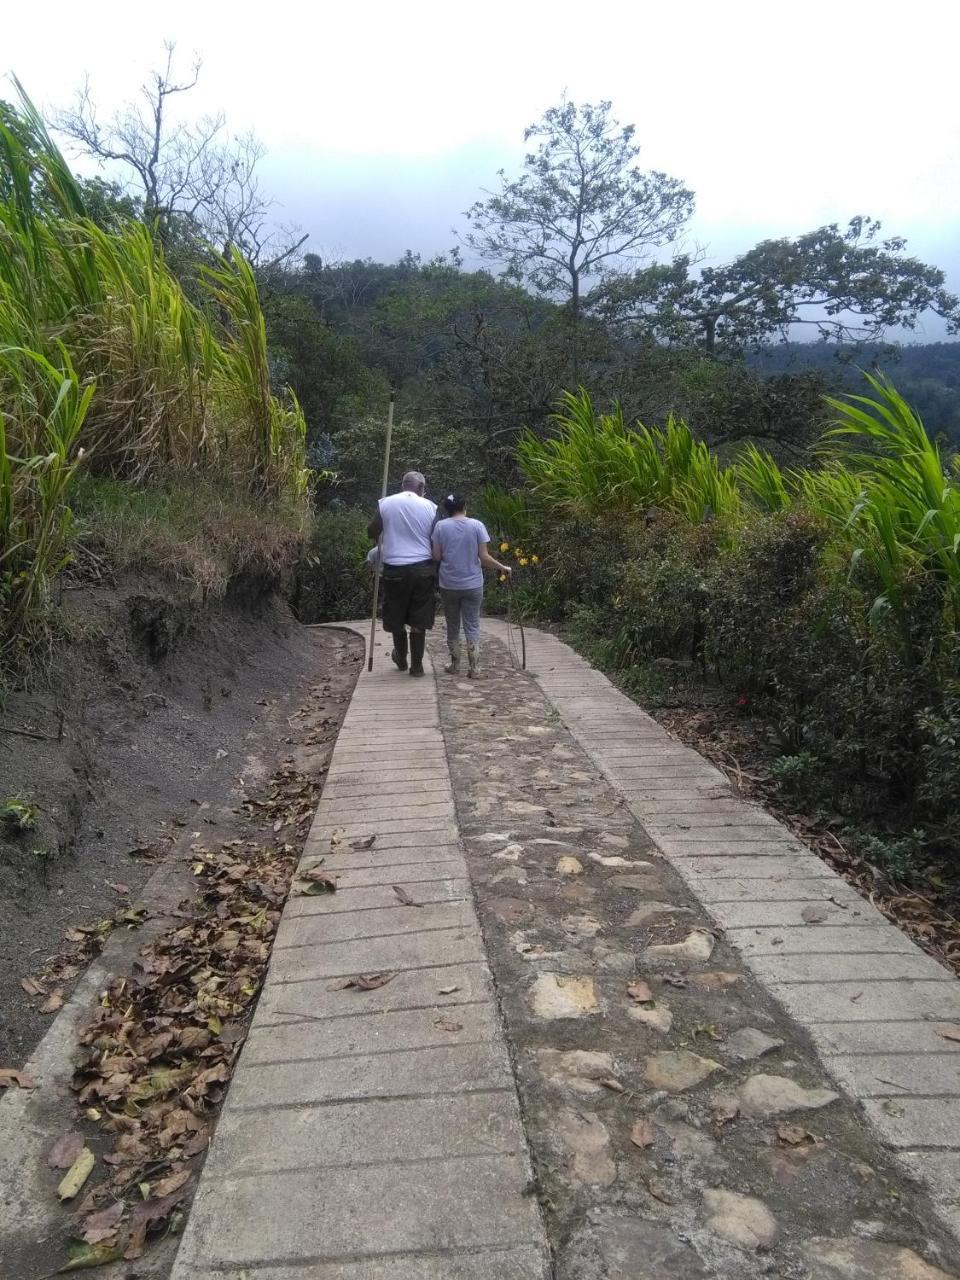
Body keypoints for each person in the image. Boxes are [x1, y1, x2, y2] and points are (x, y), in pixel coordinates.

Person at [432, 492, 511, 678]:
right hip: (473, 584)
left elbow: (436, 557)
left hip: (449, 584)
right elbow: (484, 557)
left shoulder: (440, 527)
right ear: (464, 506)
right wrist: (503, 567)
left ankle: (454, 665)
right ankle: (475, 668)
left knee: (452, 623)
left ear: (448, 510)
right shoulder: (477, 525)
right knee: (472, 624)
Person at [367, 471, 437, 677]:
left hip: (394, 569)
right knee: (419, 618)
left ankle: (401, 659)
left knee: (396, 615)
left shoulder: (386, 503)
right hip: (423, 569)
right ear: (422, 488)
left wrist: (386, 529)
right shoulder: (431, 507)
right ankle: (417, 666)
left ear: (403, 485)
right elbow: (435, 538)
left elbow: (371, 531)